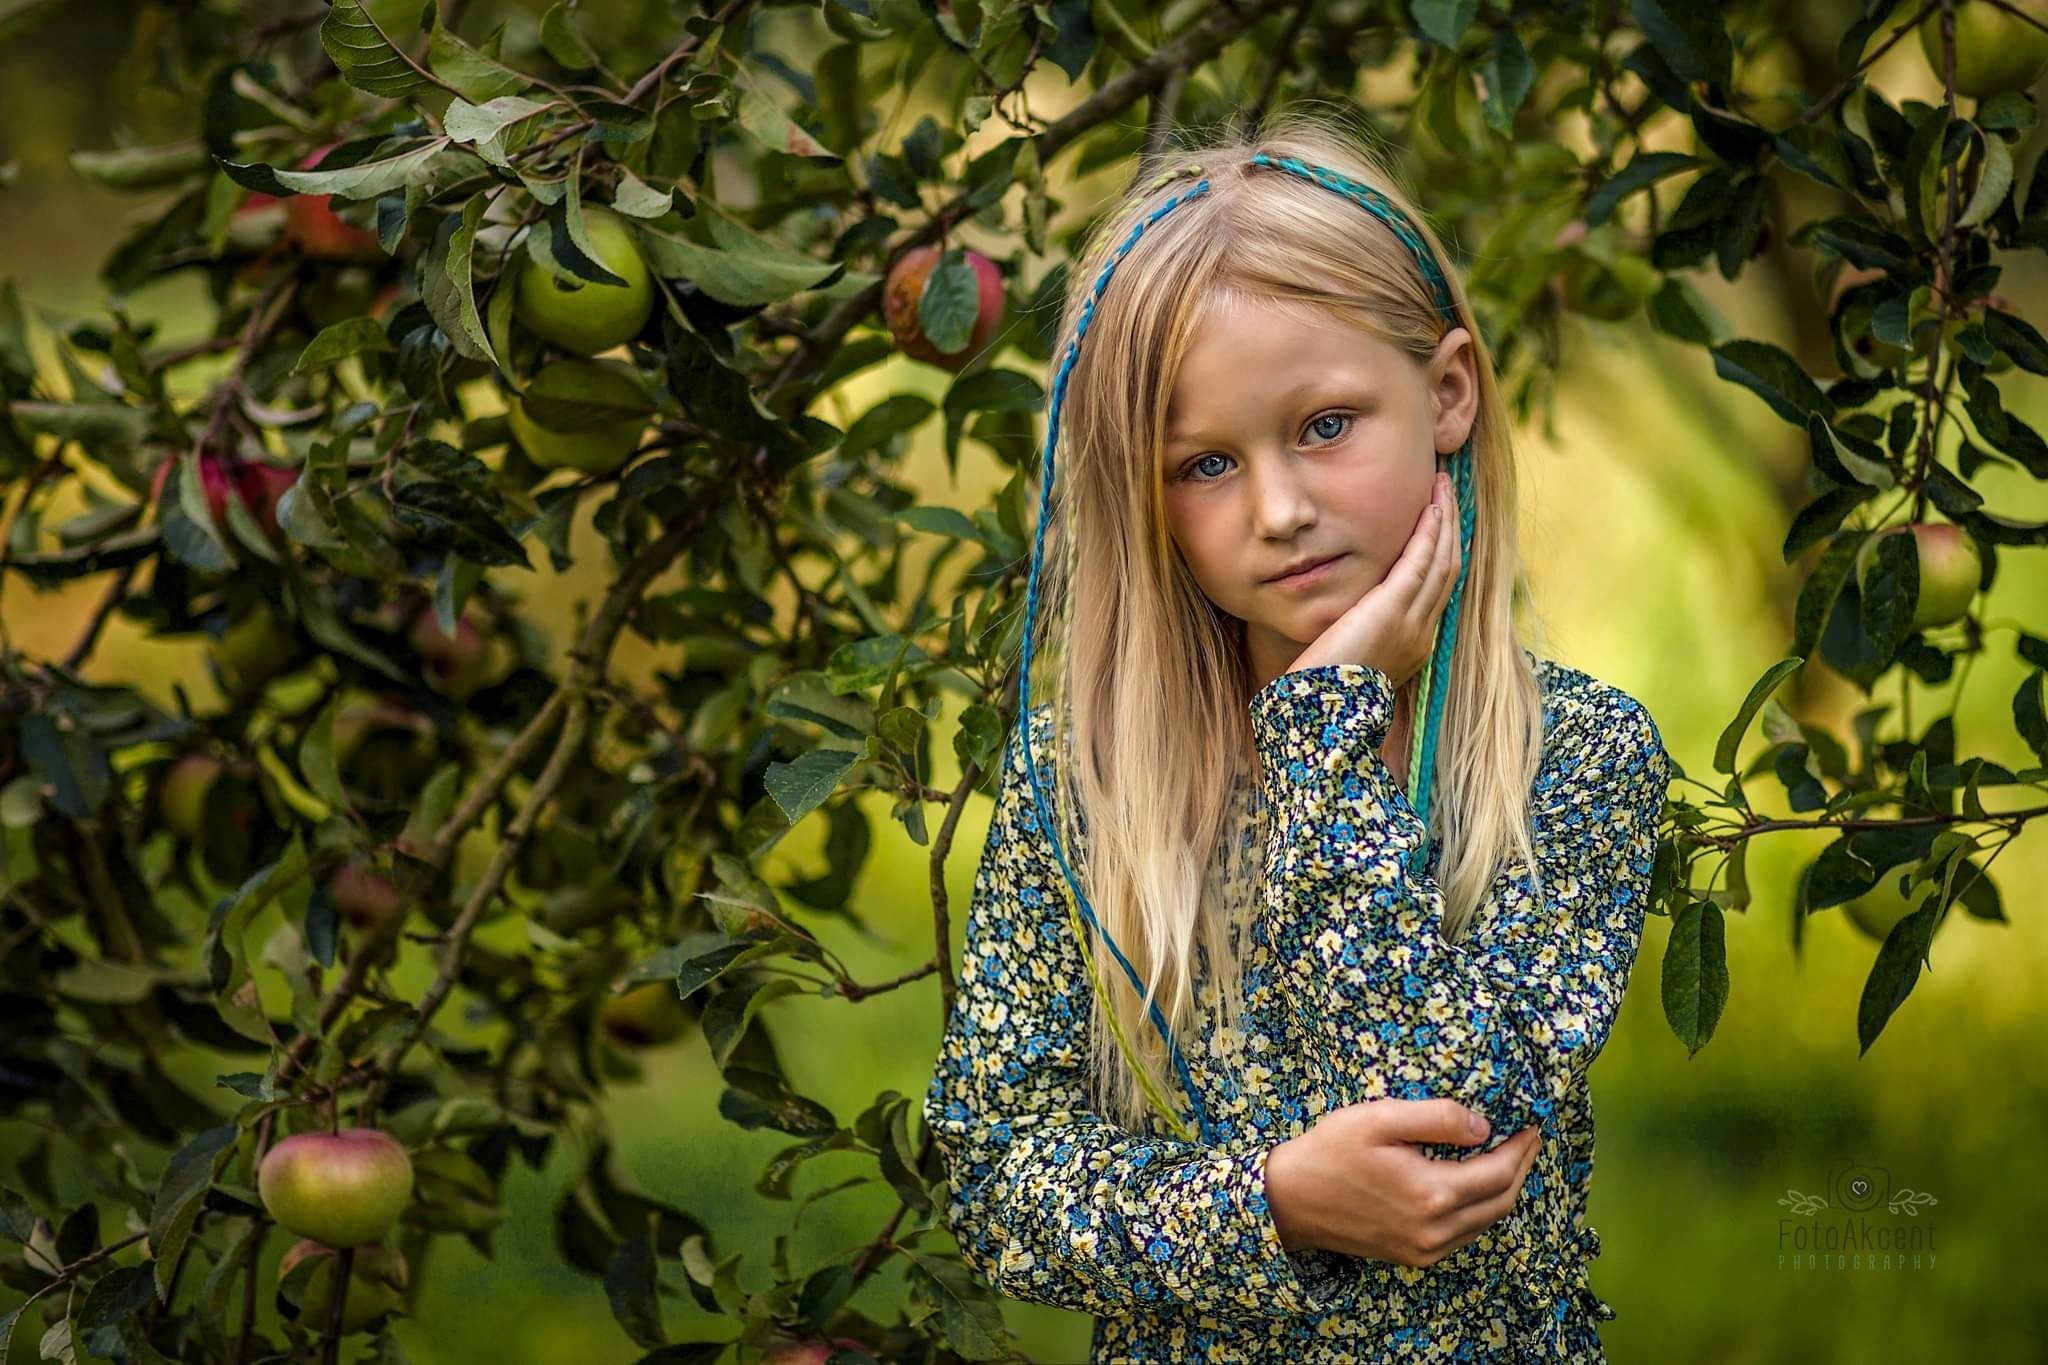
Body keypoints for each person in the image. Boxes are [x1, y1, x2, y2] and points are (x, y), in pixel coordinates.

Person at [922, 105, 1674, 1363]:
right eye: (1203, 465)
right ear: (1143, 497)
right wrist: (1268, 1206)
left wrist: (1319, 733)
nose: (1276, 509)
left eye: (1323, 427)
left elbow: (1460, 1126)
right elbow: (998, 1173)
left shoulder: (1575, 757)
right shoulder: (1088, 776)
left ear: (1443, 393)